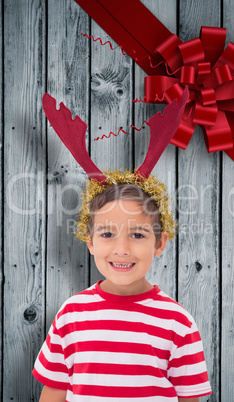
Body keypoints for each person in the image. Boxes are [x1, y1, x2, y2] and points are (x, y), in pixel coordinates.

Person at [33, 88, 212, 401]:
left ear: (160, 243)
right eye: (107, 234)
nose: (122, 249)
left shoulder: (177, 322)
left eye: (138, 234)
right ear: (89, 241)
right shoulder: (71, 315)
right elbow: (53, 394)